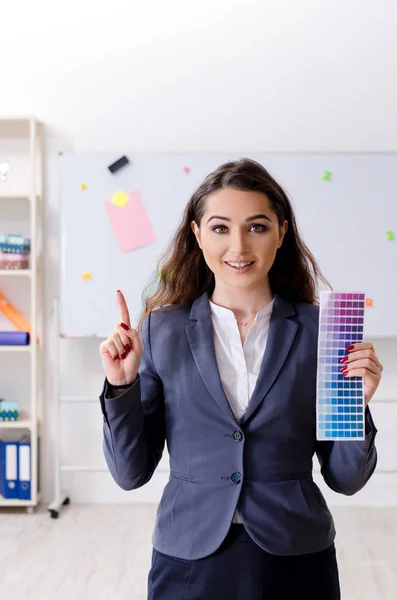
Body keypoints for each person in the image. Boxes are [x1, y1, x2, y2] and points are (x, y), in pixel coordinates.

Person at [98, 158, 383, 600]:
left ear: (281, 233)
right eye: (219, 228)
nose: (238, 246)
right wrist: (121, 386)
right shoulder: (160, 330)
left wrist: (357, 402)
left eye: (256, 227)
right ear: (196, 233)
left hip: (294, 554)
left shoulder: (324, 332)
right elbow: (130, 474)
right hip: (189, 556)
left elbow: (346, 479)